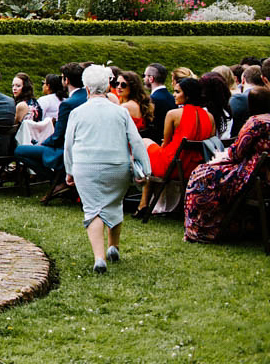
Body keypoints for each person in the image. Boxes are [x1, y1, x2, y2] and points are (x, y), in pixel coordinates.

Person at [63, 64, 150, 274]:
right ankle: (113, 246)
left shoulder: (77, 113)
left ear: (86, 88)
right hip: (117, 166)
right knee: (115, 201)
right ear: (107, 85)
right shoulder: (120, 112)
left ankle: (99, 257)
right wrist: (145, 168)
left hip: (86, 165)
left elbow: (69, 144)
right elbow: (136, 142)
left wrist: (70, 170)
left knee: (92, 210)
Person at [184, 87, 270, 243]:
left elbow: (237, 153)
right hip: (263, 175)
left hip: (253, 177)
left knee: (201, 175)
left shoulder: (256, 122)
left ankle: (200, 228)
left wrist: (222, 156)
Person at [134, 77, 217, 219]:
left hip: (173, 166)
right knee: (149, 150)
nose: (174, 95)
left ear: (188, 95)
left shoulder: (173, 114)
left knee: (145, 143)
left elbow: (165, 144)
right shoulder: (209, 117)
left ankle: (143, 203)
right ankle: (144, 203)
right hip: (195, 168)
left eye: (177, 92)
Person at [15, 62, 89, 186]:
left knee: (19, 150)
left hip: (66, 150)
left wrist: (44, 143)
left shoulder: (68, 104)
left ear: (67, 80)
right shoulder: (87, 97)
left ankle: (57, 180)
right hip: (83, 147)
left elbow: (58, 136)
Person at [143, 63, 174, 143]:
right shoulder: (172, 97)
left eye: (144, 75)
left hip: (155, 142)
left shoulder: (152, 99)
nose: (143, 79)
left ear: (151, 79)